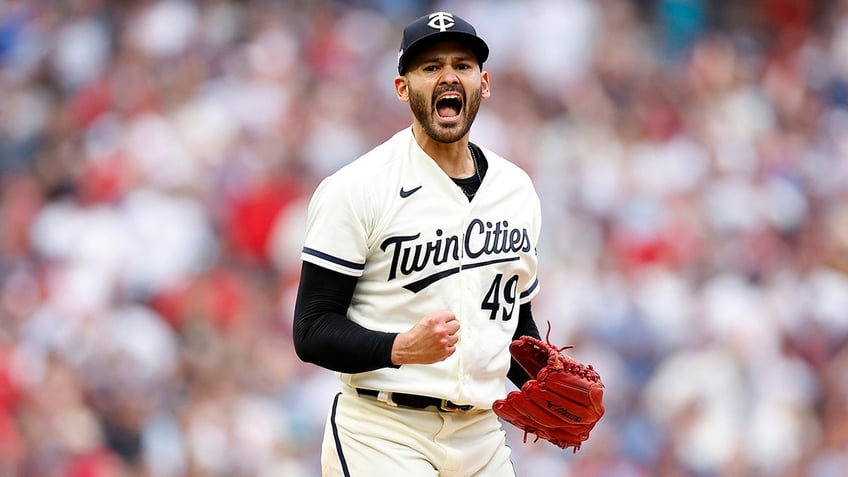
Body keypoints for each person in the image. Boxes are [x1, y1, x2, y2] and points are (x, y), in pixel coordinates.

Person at [293, 11, 543, 476]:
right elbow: (311, 330)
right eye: (430, 67)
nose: (448, 76)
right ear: (403, 88)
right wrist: (401, 346)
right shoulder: (358, 186)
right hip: (383, 431)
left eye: (462, 66)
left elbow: (513, 323)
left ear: (483, 83)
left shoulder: (517, 189)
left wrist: (545, 380)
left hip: (482, 435)